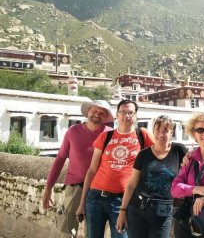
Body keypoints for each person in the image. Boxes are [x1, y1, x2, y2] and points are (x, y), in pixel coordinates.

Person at [76, 99, 153, 238]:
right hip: (95, 197)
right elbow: (92, 170)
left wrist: (184, 154)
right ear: (117, 115)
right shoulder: (105, 136)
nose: (126, 116)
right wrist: (82, 203)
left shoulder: (142, 135)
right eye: (123, 112)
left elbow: (161, 151)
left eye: (130, 112)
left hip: (122, 200)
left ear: (136, 116)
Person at [41, 100, 114, 238]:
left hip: (99, 190)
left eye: (101, 113)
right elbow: (60, 159)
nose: (97, 114)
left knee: (93, 232)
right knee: (66, 230)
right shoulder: (73, 131)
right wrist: (48, 188)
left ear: (105, 117)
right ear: (88, 111)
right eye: (94, 110)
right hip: (74, 188)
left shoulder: (110, 134)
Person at [115, 115, 188, 238]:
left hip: (163, 212)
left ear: (171, 132)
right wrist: (122, 211)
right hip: (138, 209)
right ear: (153, 131)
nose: (161, 134)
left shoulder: (178, 150)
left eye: (165, 131)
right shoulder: (143, 155)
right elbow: (131, 184)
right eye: (157, 130)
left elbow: (193, 165)